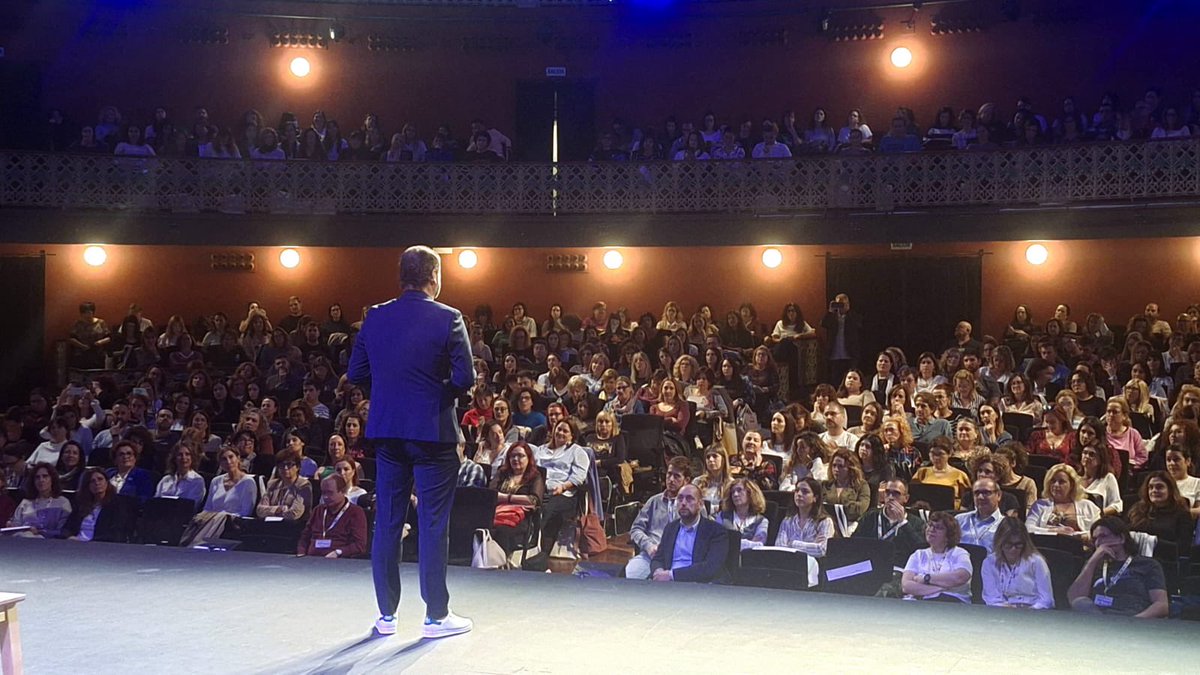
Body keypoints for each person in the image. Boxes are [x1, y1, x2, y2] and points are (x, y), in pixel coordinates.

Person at [346, 245, 476, 638]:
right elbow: (465, 378)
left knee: (387, 520)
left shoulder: (376, 316)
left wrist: (392, 390)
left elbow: (356, 373)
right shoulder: (449, 317)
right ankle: (436, 616)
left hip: (387, 432)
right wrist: (437, 393)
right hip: (433, 432)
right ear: (434, 277)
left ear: (401, 277)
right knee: (433, 524)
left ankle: (386, 616)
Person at [1067, 516, 1169, 618]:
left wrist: (1134, 621)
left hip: (1133, 618)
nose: (1098, 543)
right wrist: (1092, 561)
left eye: (1103, 536)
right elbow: (1074, 598)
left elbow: (1161, 605)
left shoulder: (1147, 565)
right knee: (1080, 602)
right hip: (1098, 618)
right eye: (1095, 539)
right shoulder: (1094, 564)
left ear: (1121, 538)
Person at [626, 457, 692, 579]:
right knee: (632, 573)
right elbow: (635, 529)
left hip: (681, 557)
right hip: (652, 555)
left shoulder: (693, 505)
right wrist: (648, 546)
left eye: (676, 476)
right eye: (669, 474)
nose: (671, 480)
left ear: (686, 480)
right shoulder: (654, 501)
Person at [649, 484, 729, 583]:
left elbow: (711, 567)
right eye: (680, 499)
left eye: (689, 499)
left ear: (700, 504)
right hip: (667, 584)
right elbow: (658, 558)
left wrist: (671, 575)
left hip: (698, 585)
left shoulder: (716, 531)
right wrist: (658, 571)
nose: (683, 503)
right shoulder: (671, 528)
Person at [981, 516, 1054, 609]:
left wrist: (1031, 610)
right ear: (1000, 542)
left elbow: (1046, 599)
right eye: (1008, 544)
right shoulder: (989, 562)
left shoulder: (1036, 561)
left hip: (1034, 612)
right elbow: (991, 598)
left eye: (1018, 544)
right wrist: (1007, 608)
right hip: (1001, 611)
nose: (1013, 549)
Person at [901, 511, 973, 603]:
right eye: (930, 525)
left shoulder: (959, 553)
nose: (931, 529)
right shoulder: (918, 554)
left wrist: (925, 579)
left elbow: (960, 577)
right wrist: (943, 587)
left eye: (938, 527)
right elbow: (906, 586)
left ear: (949, 535)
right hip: (922, 603)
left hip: (954, 603)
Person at [852, 478, 927, 567]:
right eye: (887, 492)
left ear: (906, 498)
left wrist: (903, 523)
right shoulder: (870, 517)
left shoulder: (916, 522)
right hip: (870, 565)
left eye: (896, 493)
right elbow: (854, 543)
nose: (891, 497)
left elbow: (922, 550)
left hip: (900, 568)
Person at [774, 477, 834, 587]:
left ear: (815, 498)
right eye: (797, 490)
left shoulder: (825, 522)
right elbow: (779, 547)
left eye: (805, 491)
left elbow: (821, 550)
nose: (799, 494)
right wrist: (811, 545)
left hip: (814, 571)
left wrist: (792, 544)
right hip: (788, 568)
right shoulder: (787, 521)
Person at [488, 442, 545, 557]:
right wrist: (518, 499)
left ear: (529, 458)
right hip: (496, 513)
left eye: (520, 456)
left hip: (522, 518)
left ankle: (502, 564)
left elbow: (534, 500)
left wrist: (506, 497)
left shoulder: (535, 476)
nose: (515, 459)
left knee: (502, 531)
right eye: (512, 456)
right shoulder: (502, 472)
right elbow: (491, 494)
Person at [296, 474, 369, 559]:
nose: (325, 497)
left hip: (337, 562)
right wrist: (301, 552)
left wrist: (338, 552)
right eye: (323, 492)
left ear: (342, 491)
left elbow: (359, 545)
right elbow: (305, 537)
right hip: (310, 560)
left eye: (330, 493)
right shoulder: (318, 510)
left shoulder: (355, 512)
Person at [64, 467, 138, 543]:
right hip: (76, 544)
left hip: (101, 547)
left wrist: (90, 542)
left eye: (100, 479)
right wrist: (70, 537)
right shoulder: (81, 504)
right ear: (87, 486)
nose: (97, 483)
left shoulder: (118, 504)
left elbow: (116, 533)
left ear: (107, 482)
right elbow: (67, 528)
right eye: (92, 481)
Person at [1025, 463, 1101, 536]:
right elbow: (1028, 528)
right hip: (1046, 546)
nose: (1056, 485)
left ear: (1072, 485)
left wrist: (1076, 535)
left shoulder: (1088, 506)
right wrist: (1054, 531)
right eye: (1053, 481)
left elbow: (1098, 531)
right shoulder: (1040, 505)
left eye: (1061, 482)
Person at [1126, 471, 1195, 546]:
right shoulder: (1137, 509)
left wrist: (1152, 542)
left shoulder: (1182, 514)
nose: (1154, 490)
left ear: (1170, 490)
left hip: (1165, 556)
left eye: (1159, 487)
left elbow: (1183, 545)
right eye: (1150, 487)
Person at [5, 463, 72, 538]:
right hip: (23, 541)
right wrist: (11, 526)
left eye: (45, 476)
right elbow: (16, 525)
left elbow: (63, 532)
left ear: (52, 479)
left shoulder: (63, 503)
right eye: (37, 477)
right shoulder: (25, 503)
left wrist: (40, 532)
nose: (41, 480)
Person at [714, 478, 769, 550]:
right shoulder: (722, 516)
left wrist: (732, 543)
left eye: (739, 490)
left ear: (750, 493)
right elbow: (717, 541)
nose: (735, 494)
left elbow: (758, 545)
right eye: (732, 492)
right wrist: (748, 543)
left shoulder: (762, 521)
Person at [955, 477, 1004, 553]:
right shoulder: (959, 520)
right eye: (976, 493)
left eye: (986, 493)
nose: (980, 497)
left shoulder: (1006, 525)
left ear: (998, 495)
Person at [154, 442, 207, 511]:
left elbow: (191, 506)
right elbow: (155, 501)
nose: (184, 457)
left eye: (187, 454)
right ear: (174, 458)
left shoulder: (197, 481)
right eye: (180, 454)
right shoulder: (166, 479)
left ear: (192, 458)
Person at [693, 447, 733, 515]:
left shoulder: (731, 484)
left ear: (723, 459)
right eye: (708, 457)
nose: (711, 459)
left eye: (715, 456)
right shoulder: (697, 482)